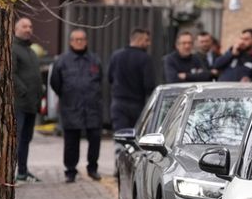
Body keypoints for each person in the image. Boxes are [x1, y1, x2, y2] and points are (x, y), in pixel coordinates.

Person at [49, 29, 103, 183]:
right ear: (70, 41)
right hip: (71, 107)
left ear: (86, 41)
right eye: (76, 39)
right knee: (71, 142)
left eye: (82, 39)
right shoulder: (62, 61)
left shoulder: (94, 60)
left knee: (95, 140)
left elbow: (100, 80)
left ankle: (92, 169)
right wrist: (67, 95)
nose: (79, 42)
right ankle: (70, 171)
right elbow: (55, 83)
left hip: (92, 108)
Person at [12, 17, 43, 182]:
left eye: (30, 26)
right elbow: (11, 73)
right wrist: (22, 91)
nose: (28, 29)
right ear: (16, 29)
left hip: (32, 103)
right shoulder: (13, 48)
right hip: (19, 103)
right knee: (17, 138)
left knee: (26, 139)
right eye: (24, 26)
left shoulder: (31, 51)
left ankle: (23, 171)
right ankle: (14, 171)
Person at [107, 28, 156, 131]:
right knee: (135, 138)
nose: (149, 43)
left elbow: (110, 78)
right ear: (139, 40)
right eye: (146, 40)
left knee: (120, 136)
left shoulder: (116, 56)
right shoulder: (145, 58)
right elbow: (149, 85)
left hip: (118, 103)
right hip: (137, 105)